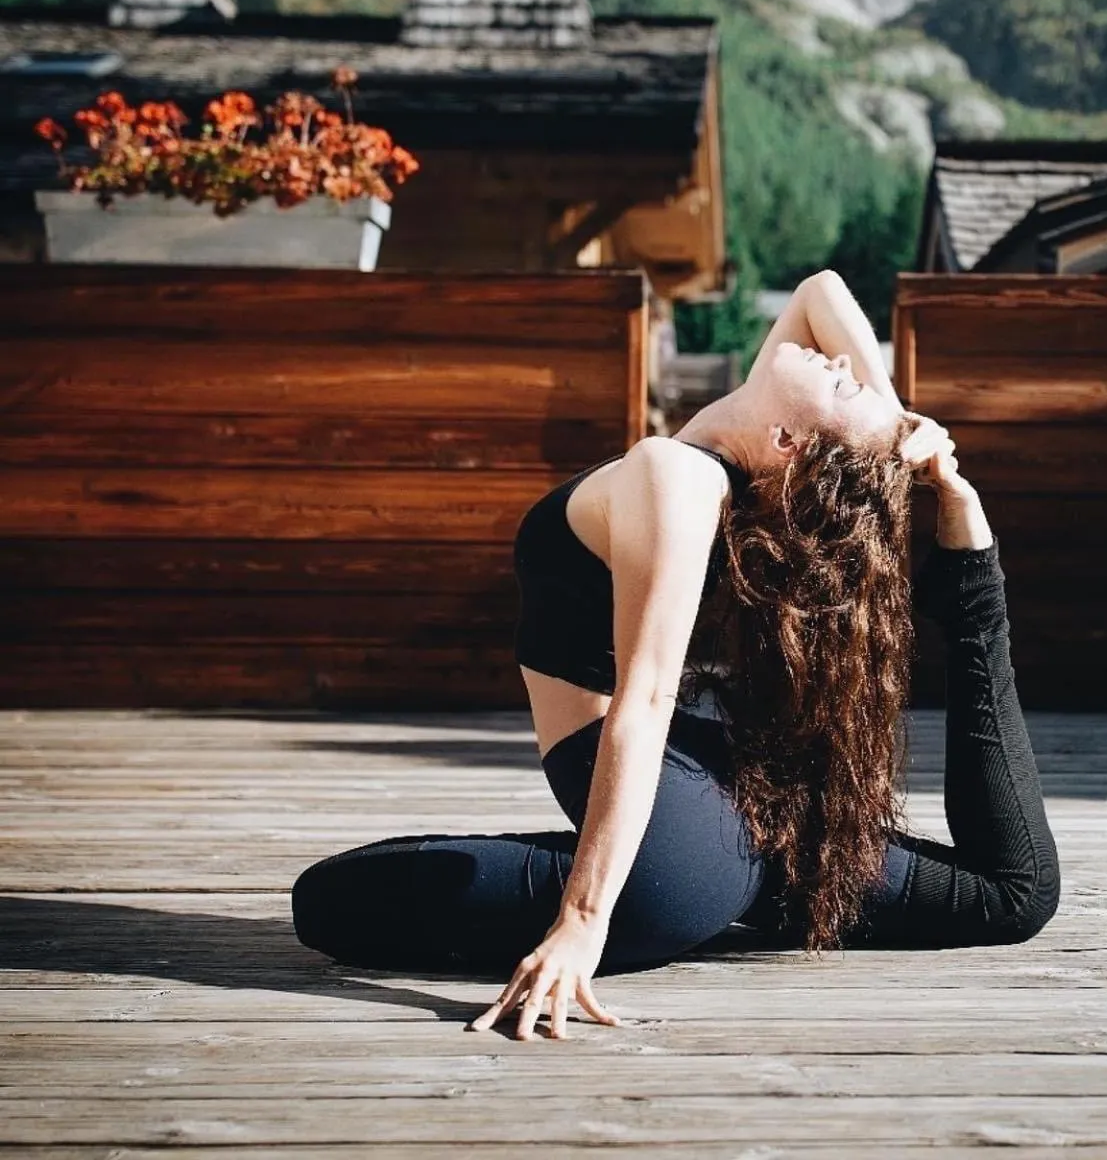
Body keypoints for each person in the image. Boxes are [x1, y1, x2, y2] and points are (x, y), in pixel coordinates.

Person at [291, 269, 1061, 1039]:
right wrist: (895, 429)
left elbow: (646, 702)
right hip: (722, 805)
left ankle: (606, 872)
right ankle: (973, 599)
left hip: (680, 860)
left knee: (322, 902)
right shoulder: (732, 449)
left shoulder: (677, 475)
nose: (846, 367)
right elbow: (820, 291)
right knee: (1010, 895)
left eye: (847, 390)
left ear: (788, 442)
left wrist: (583, 920)